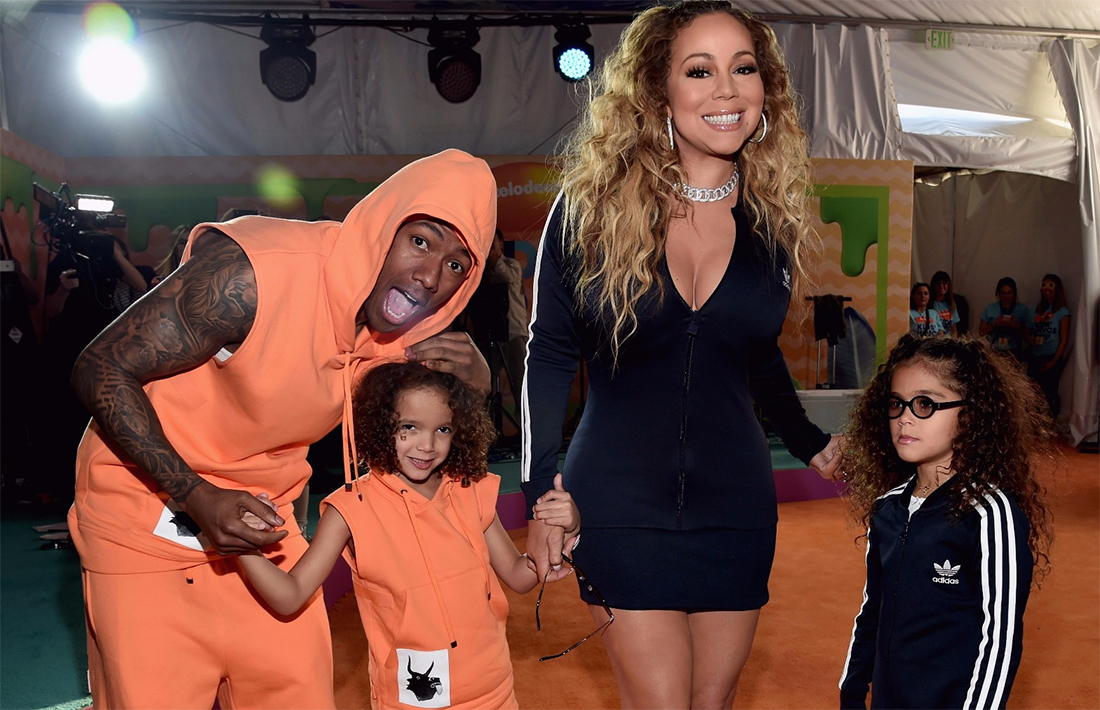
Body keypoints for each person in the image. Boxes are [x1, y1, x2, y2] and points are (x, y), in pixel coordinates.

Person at [66, 149, 498, 709]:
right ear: (382, 224)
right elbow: (101, 366)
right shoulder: (255, 273)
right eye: (420, 240)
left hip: (263, 526)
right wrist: (195, 494)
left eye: (457, 265)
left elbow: (423, 447)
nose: (431, 276)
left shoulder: (397, 342)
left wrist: (479, 385)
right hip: (146, 514)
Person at [521, 3, 842, 707]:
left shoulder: (772, 221)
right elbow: (549, 354)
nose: (726, 89)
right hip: (618, 502)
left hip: (737, 504)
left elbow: (754, 352)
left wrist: (808, 440)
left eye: (743, 68)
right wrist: (543, 493)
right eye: (700, 70)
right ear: (657, 90)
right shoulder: (588, 210)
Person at [237, 361, 579, 710]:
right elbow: (290, 596)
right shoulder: (350, 509)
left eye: (442, 429)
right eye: (409, 427)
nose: (427, 445)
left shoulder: (470, 489)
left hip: (494, 689)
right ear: (380, 425)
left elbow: (519, 577)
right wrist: (240, 544)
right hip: (413, 700)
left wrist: (558, 538)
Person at [838, 334, 1053, 709]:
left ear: (969, 416)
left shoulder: (989, 512)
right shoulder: (887, 509)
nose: (905, 417)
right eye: (896, 403)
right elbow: (873, 611)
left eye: (925, 404)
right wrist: (851, 690)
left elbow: (1000, 639)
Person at [1025, 273, 1071, 417]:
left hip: (1051, 356)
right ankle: (1035, 421)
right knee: (1033, 391)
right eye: (1044, 285)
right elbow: (1026, 330)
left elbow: (1064, 340)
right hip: (1035, 355)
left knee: (1050, 392)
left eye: (1050, 285)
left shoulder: (1062, 312)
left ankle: (1051, 422)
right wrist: (1029, 338)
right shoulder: (1034, 310)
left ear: (1057, 288)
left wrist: (1054, 361)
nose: (1047, 288)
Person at [979, 276, 1029, 360]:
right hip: (994, 351)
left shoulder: (1022, 309)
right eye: (1003, 293)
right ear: (998, 293)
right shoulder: (990, 308)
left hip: (1014, 352)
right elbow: (981, 332)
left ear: (1014, 294)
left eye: (1009, 293)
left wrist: (1016, 326)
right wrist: (994, 324)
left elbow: (1027, 336)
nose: (1006, 296)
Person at [930, 270, 960, 336]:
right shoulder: (930, 304)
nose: (941, 286)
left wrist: (954, 341)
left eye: (944, 283)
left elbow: (954, 328)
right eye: (938, 283)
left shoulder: (952, 304)